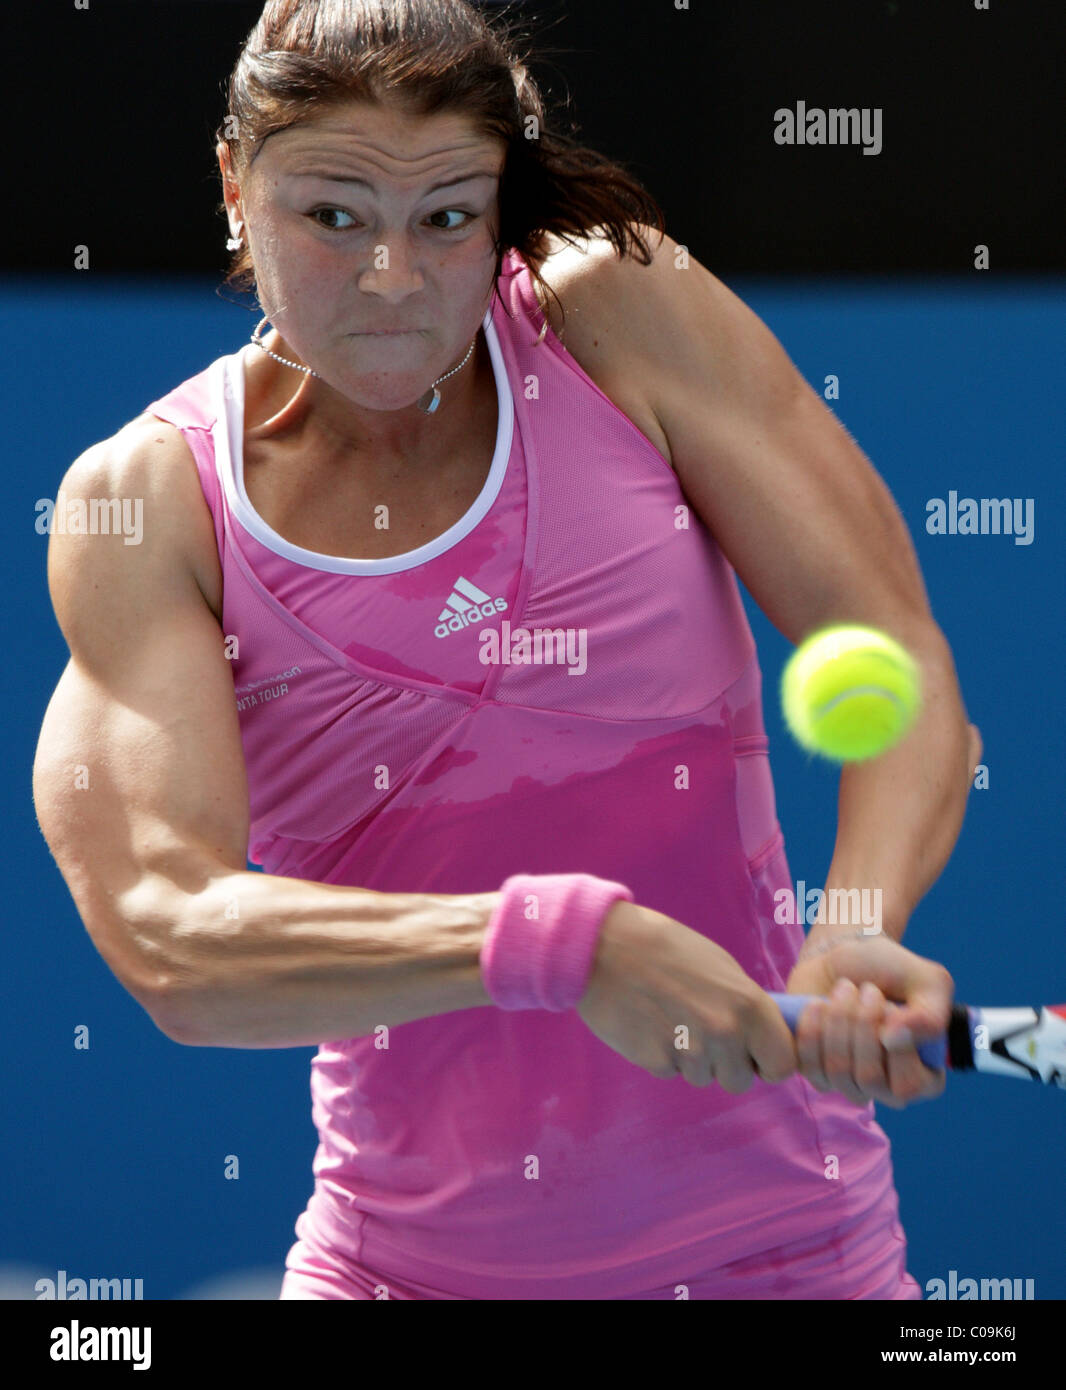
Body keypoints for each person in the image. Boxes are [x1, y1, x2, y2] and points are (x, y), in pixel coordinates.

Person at [33, 0, 982, 1300]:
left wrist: (853, 928)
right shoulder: (148, 502)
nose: (391, 278)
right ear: (233, 187)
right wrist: (563, 943)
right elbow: (170, 935)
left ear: (499, 203)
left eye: (445, 217)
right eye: (332, 215)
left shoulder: (616, 311)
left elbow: (891, 649)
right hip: (395, 1273)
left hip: (787, 1259)